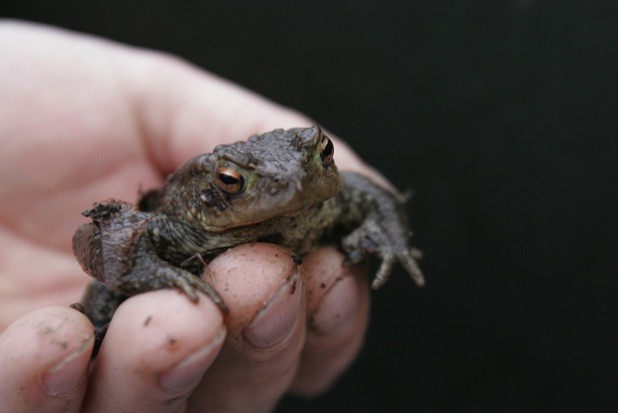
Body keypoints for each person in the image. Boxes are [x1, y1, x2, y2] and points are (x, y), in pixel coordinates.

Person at [0, 20, 384, 412]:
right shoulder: (176, 228)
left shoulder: (322, 198)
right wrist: (152, 272)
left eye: (321, 154)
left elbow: (369, 194)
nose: (292, 184)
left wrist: (385, 235)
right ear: (214, 184)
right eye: (234, 180)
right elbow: (97, 234)